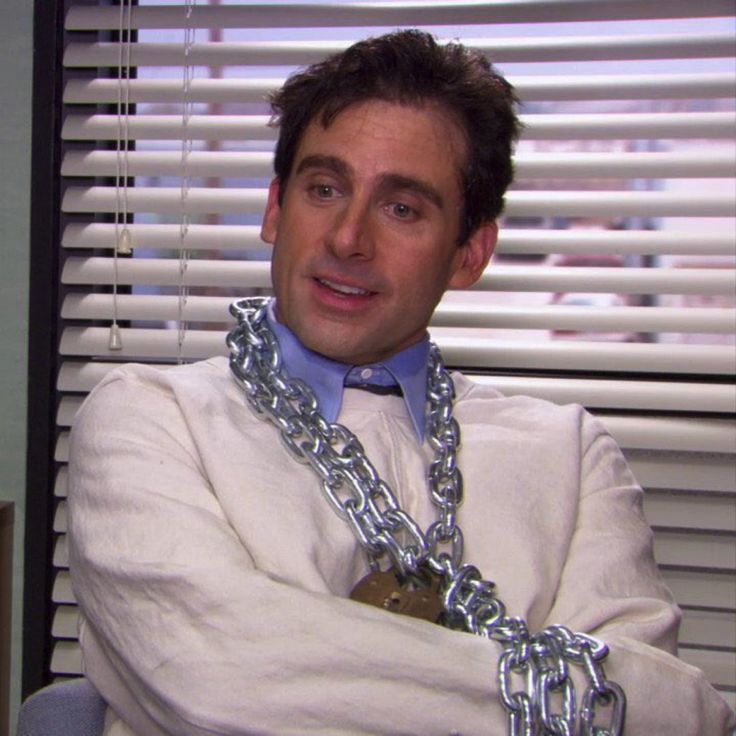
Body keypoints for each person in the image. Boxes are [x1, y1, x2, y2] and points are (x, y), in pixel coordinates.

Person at [68, 30, 734, 735]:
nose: (348, 238)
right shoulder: (149, 419)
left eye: (402, 208)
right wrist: (549, 693)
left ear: (469, 252)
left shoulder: (571, 458)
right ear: (274, 210)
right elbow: (210, 678)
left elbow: (671, 716)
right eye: (324, 189)